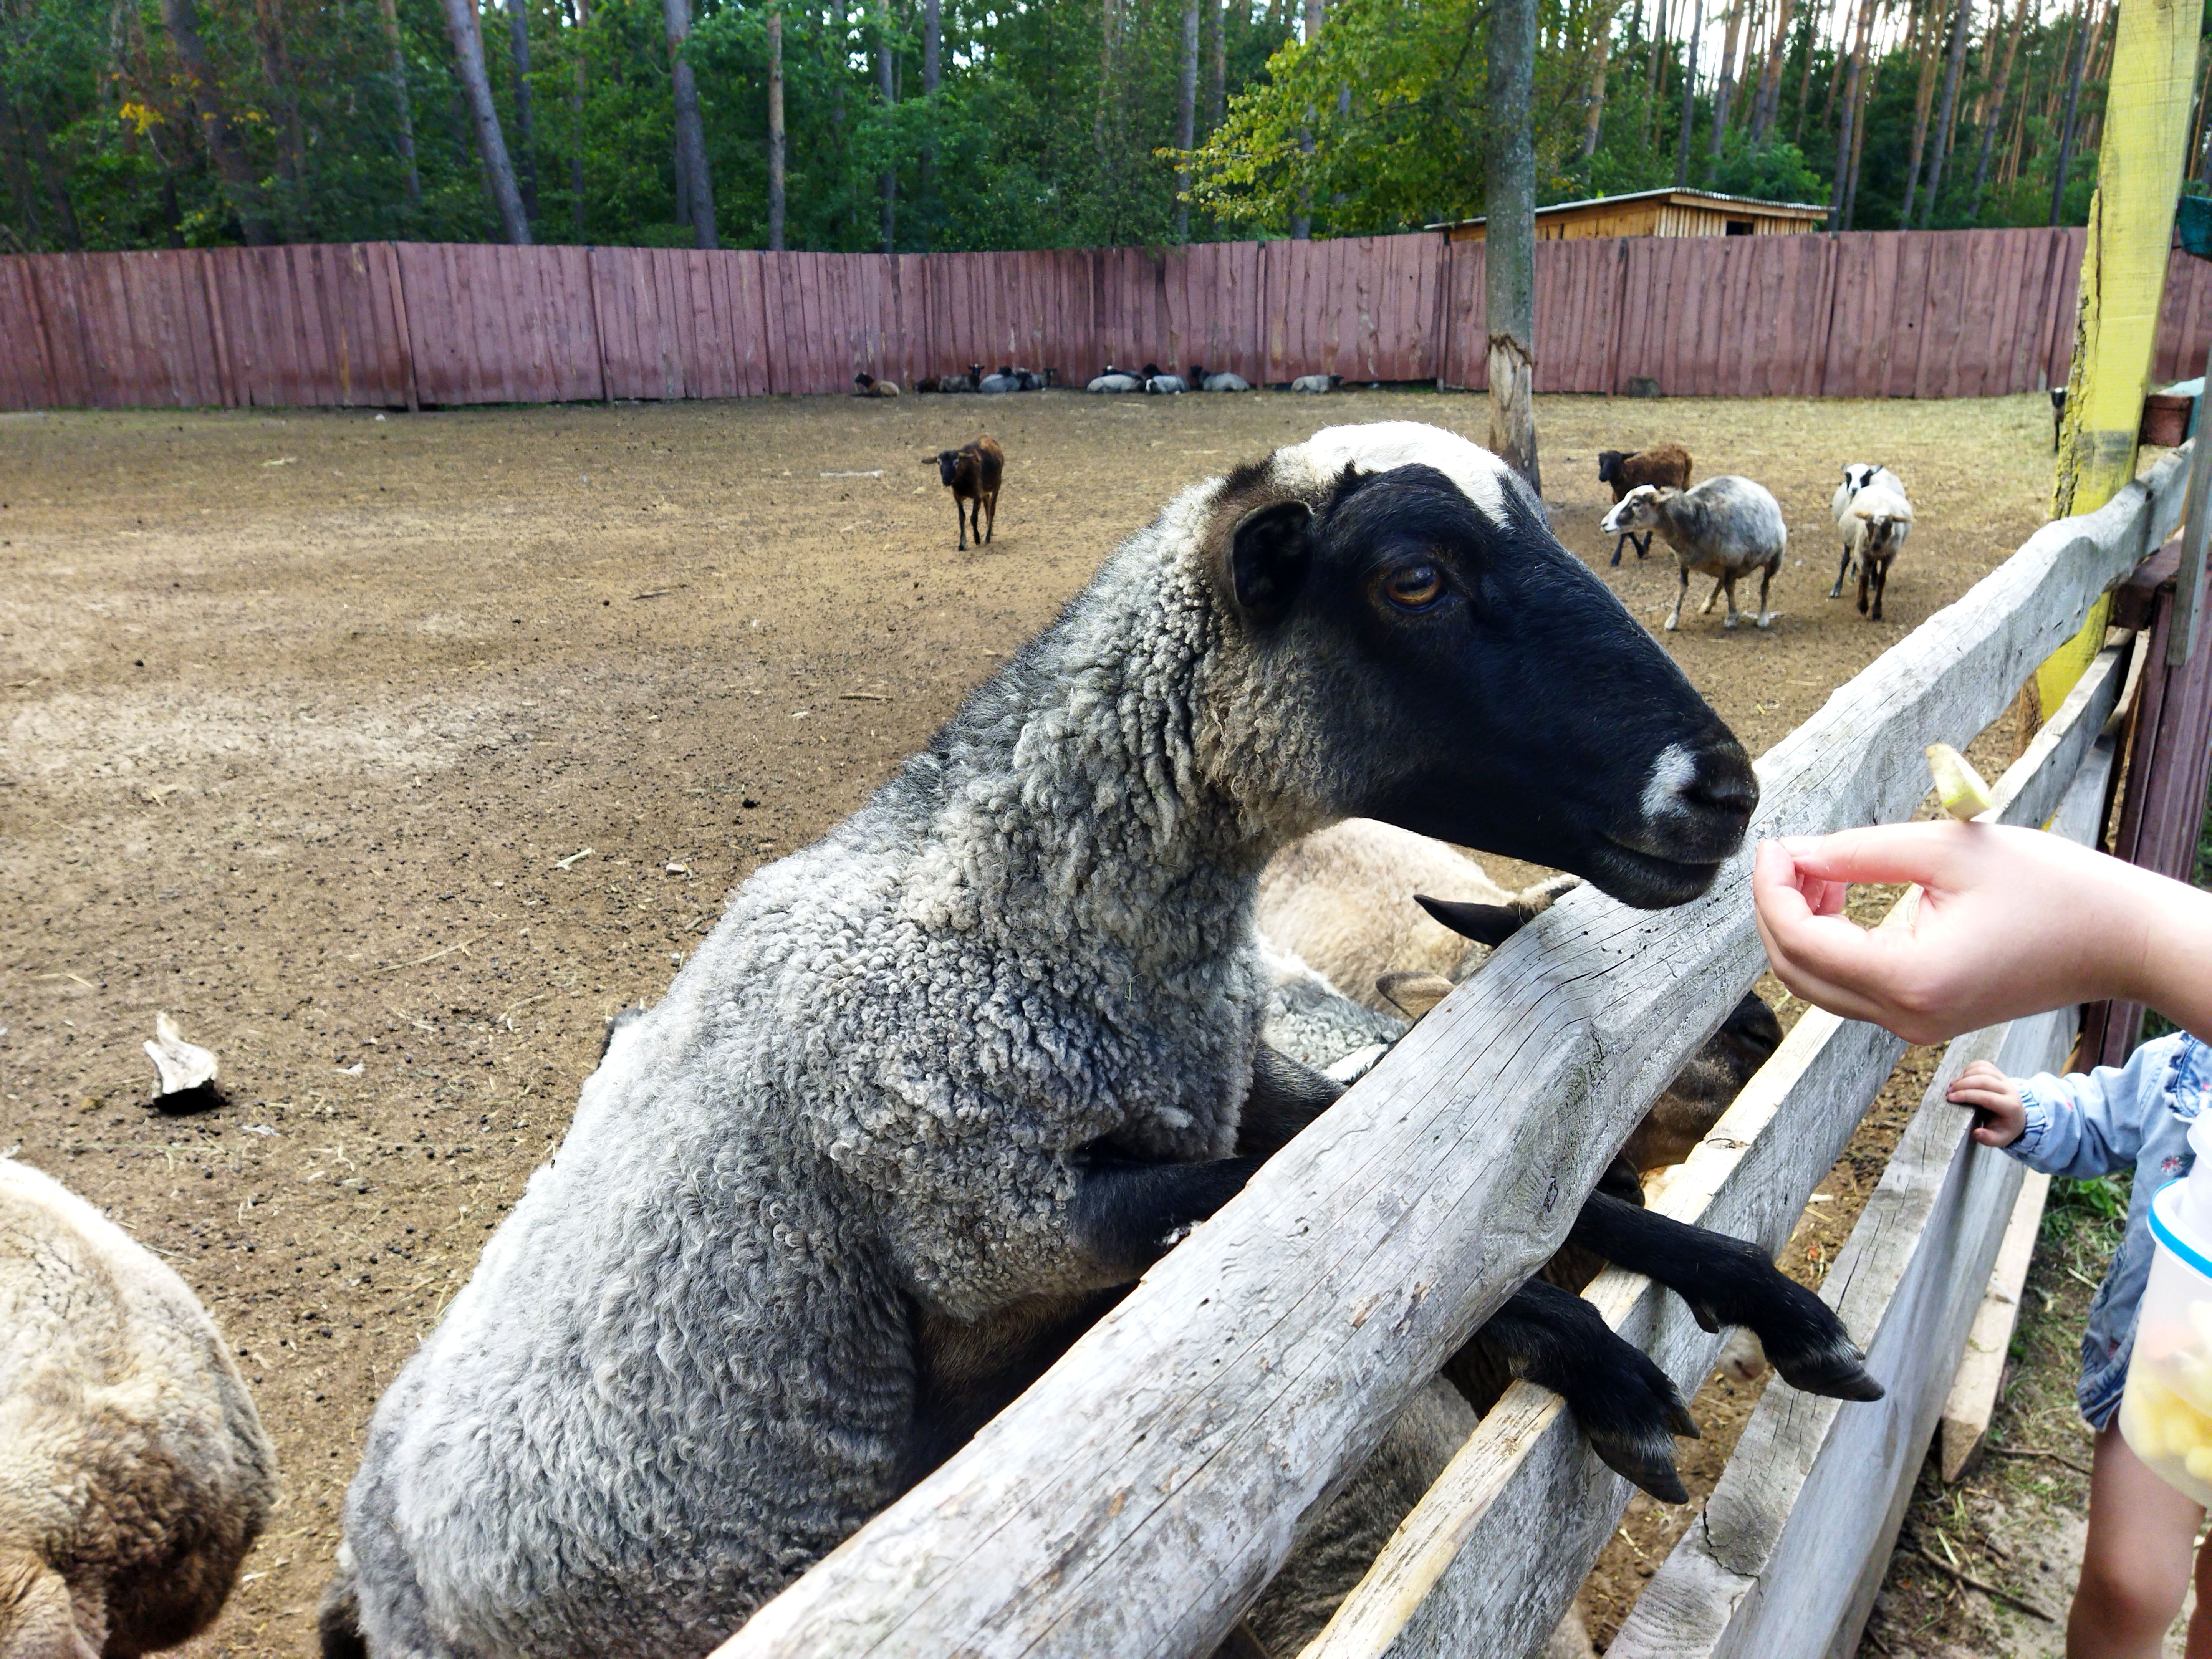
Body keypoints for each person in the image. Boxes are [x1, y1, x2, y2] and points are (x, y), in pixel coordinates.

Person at [1754, 820, 2212, 1659]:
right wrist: (2037, 1110)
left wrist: (2121, 927)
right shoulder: (2193, 1061)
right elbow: (2114, 1115)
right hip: (2174, 1368)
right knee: (2128, 1582)